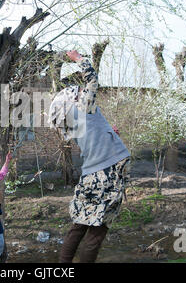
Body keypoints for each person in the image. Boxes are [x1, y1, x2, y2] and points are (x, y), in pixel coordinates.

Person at [49, 50, 131, 263]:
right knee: (98, 228)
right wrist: (78, 59)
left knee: (79, 224)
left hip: (90, 175)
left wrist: (110, 135)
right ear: (74, 98)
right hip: (110, 169)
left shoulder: (71, 124)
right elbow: (92, 79)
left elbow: (95, 135)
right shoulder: (84, 106)